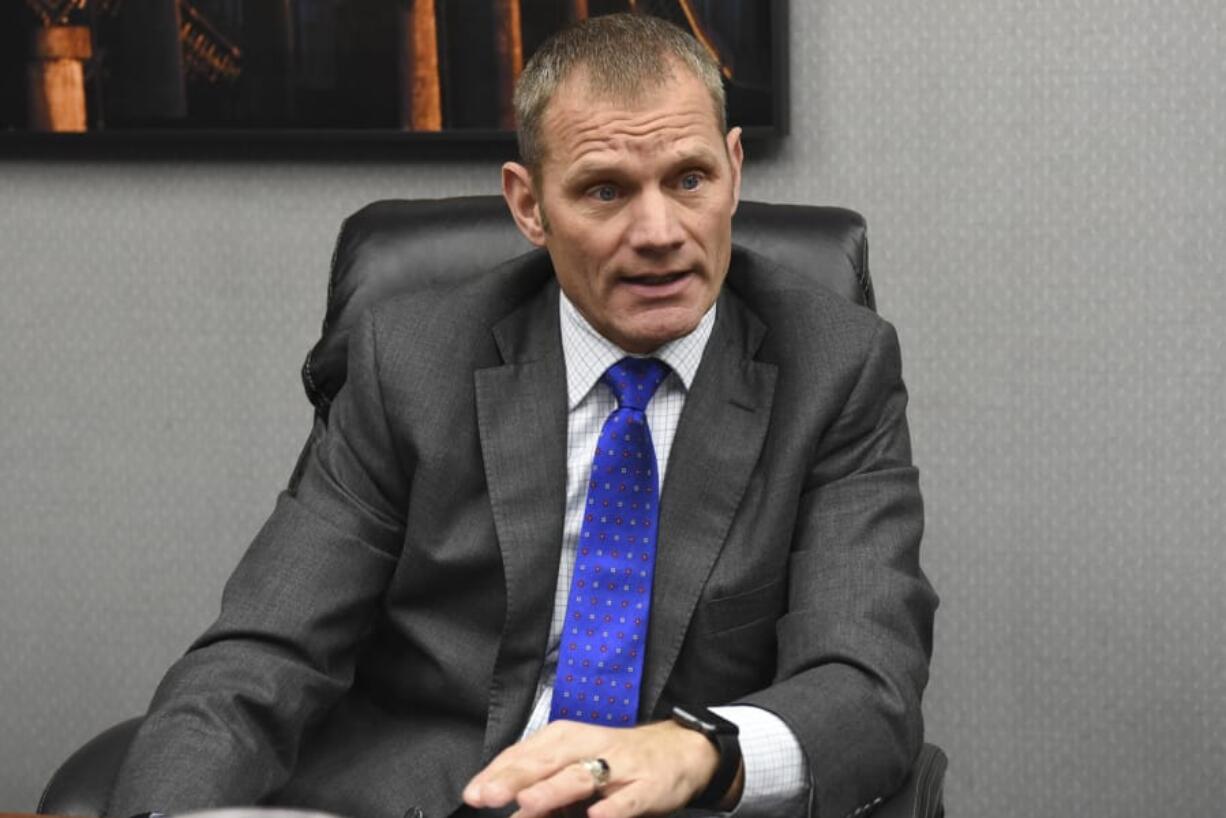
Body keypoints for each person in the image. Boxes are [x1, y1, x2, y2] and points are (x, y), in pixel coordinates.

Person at [109, 14, 936, 818]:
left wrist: (694, 752)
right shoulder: (412, 361)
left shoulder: (833, 366)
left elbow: (866, 682)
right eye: (604, 190)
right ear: (529, 205)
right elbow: (265, 650)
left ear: (734, 170)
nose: (658, 231)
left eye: (689, 180)